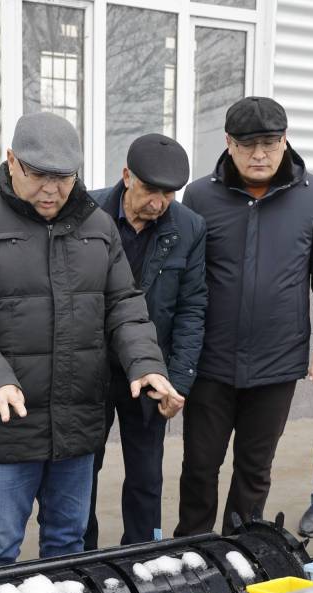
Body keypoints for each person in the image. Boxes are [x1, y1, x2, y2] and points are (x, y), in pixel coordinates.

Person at [0, 112, 179, 570]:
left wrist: (146, 364)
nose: (51, 189)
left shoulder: (98, 227)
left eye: (63, 178)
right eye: (39, 175)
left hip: (77, 422)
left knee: (68, 542)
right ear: (11, 161)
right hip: (8, 422)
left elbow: (124, 304)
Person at [175, 96, 313, 537]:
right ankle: (191, 546)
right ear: (229, 143)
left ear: (285, 140)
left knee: (255, 466)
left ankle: (241, 548)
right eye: (248, 145)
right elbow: (187, 277)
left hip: (276, 362)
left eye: (270, 143)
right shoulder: (200, 195)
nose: (260, 154)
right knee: (200, 465)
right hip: (211, 360)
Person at [85, 134, 207, 549]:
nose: (158, 203)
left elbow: (192, 308)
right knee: (82, 472)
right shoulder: (87, 213)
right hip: (92, 369)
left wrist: (179, 383)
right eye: (150, 190)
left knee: (146, 475)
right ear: (126, 176)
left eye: (168, 194)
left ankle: (142, 556)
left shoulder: (189, 227)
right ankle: (80, 557)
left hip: (152, 371)